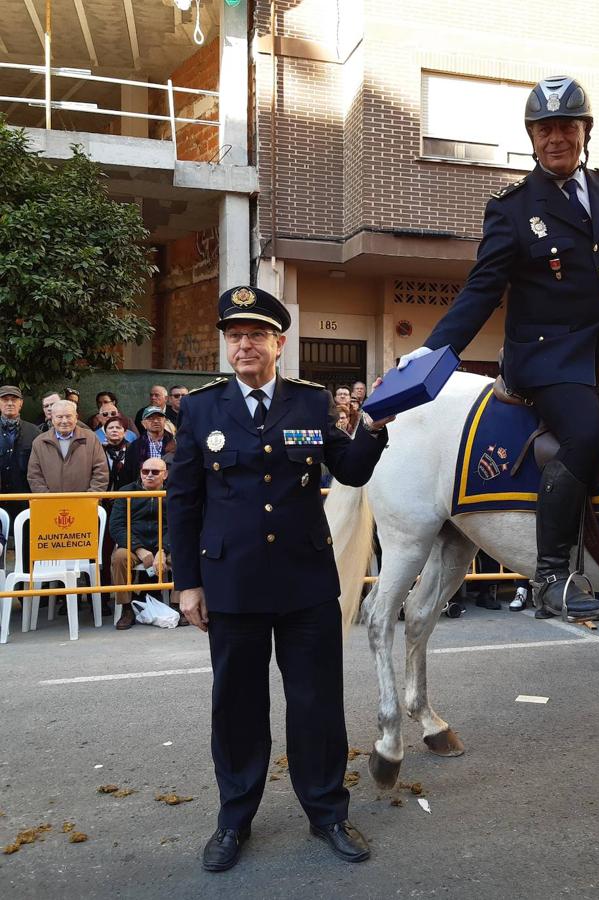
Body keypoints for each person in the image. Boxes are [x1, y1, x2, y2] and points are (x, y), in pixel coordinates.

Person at [398, 75, 599, 619]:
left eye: (566, 127)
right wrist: (433, 352)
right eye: (545, 130)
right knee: (585, 433)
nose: (556, 139)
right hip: (546, 357)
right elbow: (482, 290)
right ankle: (552, 575)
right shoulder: (513, 208)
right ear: (532, 137)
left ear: (584, 131)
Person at [167, 285, 393, 873]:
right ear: (227, 345)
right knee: (237, 707)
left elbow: (350, 468)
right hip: (232, 583)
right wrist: (187, 582)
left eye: (257, 335)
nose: (245, 345)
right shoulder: (199, 409)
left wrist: (373, 427)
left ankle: (328, 813)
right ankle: (234, 819)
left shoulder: (311, 404)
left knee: (317, 704)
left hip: (304, 582)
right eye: (235, 336)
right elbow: (184, 500)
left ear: (279, 344)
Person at [109, 457, 177, 630]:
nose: (149, 475)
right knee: (119, 557)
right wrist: (138, 549)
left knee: (184, 554)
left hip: (165, 544)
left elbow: (180, 524)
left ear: (165, 474)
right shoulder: (126, 492)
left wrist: (163, 549)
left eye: (155, 472)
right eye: (145, 471)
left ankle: (178, 605)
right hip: (134, 546)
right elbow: (117, 526)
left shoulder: (174, 493)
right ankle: (126, 608)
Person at [27, 400, 108, 493]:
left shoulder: (91, 438)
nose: (64, 421)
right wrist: (48, 500)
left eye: (68, 416)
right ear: (52, 418)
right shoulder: (40, 442)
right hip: (50, 504)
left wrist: (89, 498)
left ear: (76, 417)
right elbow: (34, 476)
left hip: (85, 503)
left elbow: (101, 472)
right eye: (59, 417)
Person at [0, 385, 40, 527]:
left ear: (21, 403)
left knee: (25, 543)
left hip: (25, 501)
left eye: (14, 399)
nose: (10, 403)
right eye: (5, 399)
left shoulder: (35, 432)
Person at [122, 407, 176, 484]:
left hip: (169, 488)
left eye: (159, 418)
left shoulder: (175, 443)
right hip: (141, 490)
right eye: (151, 419)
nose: (156, 421)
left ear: (165, 421)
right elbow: (128, 474)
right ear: (143, 423)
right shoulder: (135, 447)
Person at [101, 416, 132, 492]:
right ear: (105, 433)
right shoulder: (100, 450)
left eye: (118, 428)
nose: (114, 430)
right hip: (104, 493)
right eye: (111, 428)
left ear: (125, 433)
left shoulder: (132, 449)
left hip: (127, 493)